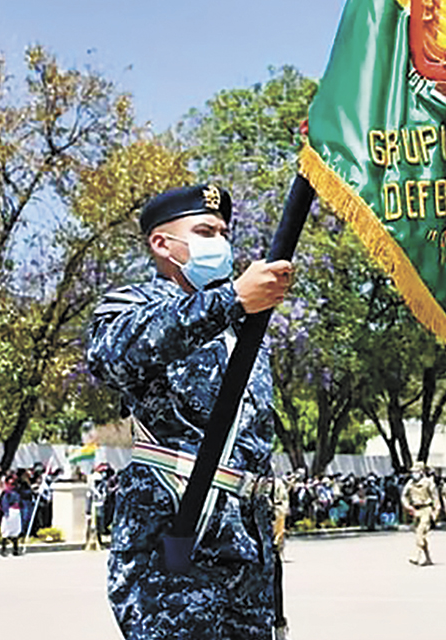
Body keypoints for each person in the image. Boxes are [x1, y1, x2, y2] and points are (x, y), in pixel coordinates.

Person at [84, 184, 293, 640]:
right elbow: (114, 355)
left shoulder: (244, 330)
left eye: (222, 231)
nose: (219, 241)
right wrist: (231, 299)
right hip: (176, 539)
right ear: (161, 243)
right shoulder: (134, 305)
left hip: (246, 542)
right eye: (204, 230)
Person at [401, 462, 438, 566]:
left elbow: (436, 498)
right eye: (413, 472)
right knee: (422, 535)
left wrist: (435, 512)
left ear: (421, 472)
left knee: (420, 533)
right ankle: (428, 557)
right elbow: (404, 496)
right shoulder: (410, 483)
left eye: (416, 471)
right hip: (415, 510)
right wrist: (408, 506)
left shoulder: (429, 483)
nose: (414, 474)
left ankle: (416, 556)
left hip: (426, 509)